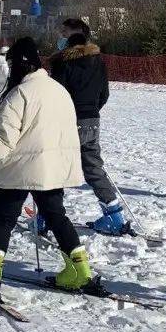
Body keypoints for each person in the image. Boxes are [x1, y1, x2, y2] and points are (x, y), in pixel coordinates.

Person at [0, 37, 93, 294]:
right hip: (52, 168)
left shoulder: (19, 93)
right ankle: (80, 270)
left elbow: (5, 135)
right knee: (57, 216)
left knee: (3, 218)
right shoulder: (59, 90)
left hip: (20, 168)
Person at [49, 18, 125, 234]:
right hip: (92, 121)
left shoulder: (62, 62)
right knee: (93, 169)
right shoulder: (98, 61)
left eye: (64, 33)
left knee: (55, 168)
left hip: (69, 121)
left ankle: (48, 216)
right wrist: (91, 110)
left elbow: (56, 94)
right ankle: (114, 216)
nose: (61, 37)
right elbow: (104, 94)